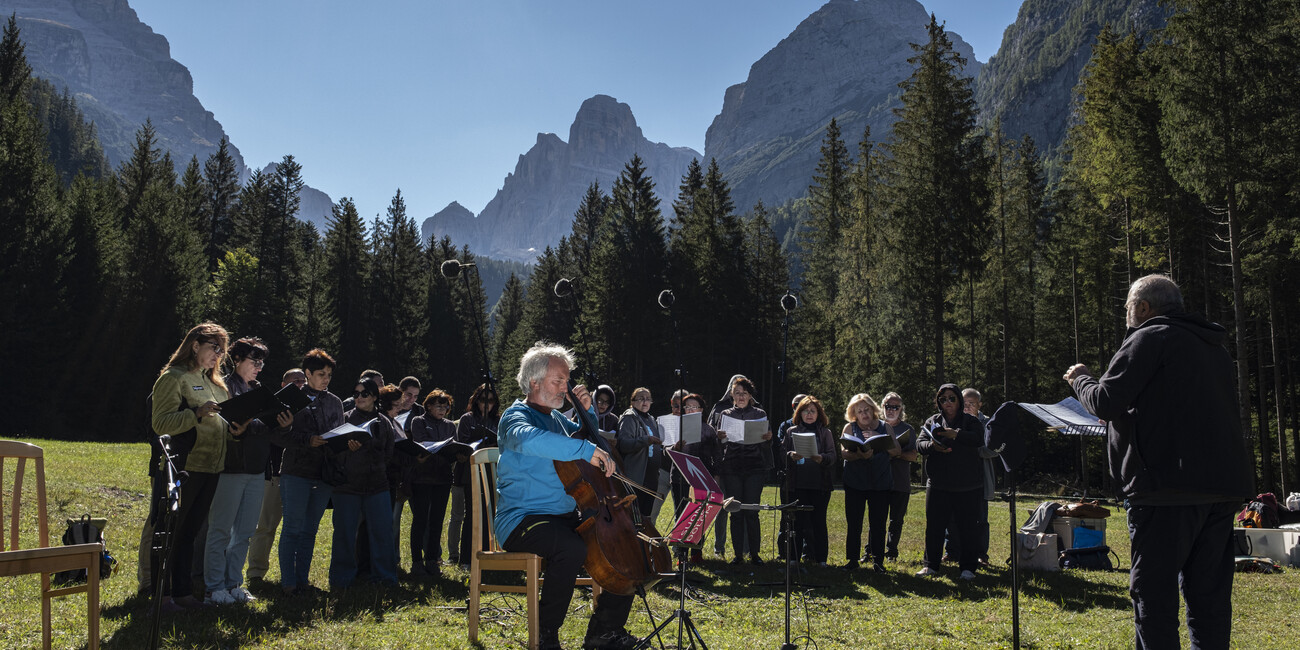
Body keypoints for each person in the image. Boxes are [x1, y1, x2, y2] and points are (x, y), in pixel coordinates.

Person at [1064, 274, 1253, 648]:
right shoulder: (1212, 346)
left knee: (1154, 597)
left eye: (1128, 308)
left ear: (1144, 308)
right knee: (1209, 600)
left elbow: (1105, 401)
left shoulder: (1150, 336)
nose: (1127, 315)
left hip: (1166, 490)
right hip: (1220, 489)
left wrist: (1081, 380)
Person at [496, 342, 638, 650]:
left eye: (567, 381)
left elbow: (584, 438)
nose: (566, 387)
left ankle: (604, 630)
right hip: (522, 521)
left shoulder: (558, 419)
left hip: (564, 517)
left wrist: (588, 414)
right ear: (534, 382)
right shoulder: (515, 418)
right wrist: (586, 449)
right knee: (571, 548)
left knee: (620, 545)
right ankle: (547, 633)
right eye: (559, 381)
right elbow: (535, 441)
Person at [150, 323, 247, 612]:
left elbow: (223, 422)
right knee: (169, 531)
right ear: (195, 345)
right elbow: (161, 423)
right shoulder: (173, 378)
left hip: (212, 467)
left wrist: (236, 429)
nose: (219, 355)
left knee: (190, 533)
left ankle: (183, 594)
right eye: (214, 348)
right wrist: (195, 413)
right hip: (183, 466)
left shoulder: (216, 384)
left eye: (222, 351)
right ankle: (161, 597)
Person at [203, 338, 292, 605]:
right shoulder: (222, 386)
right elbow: (221, 424)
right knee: (220, 529)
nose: (259, 367)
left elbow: (265, 429)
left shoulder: (259, 390)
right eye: (255, 362)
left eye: (262, 362)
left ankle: (233, 584)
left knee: (245, 531)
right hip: (230, 466)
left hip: (257, 467)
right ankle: (213, 587)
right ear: (237, 359)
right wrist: (245, 427)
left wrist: (283, 425)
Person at [272, 348, 342, 596]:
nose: (326, 379)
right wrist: (306, 440)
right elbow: (278, 436)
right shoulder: (289, 398)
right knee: (292, 528)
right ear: (307, 373)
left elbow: (338, 435)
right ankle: (288, 584)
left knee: (310, 529)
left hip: (323, 474)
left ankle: (302, 581)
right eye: (321, 374)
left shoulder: (335, 402)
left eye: (329, 375)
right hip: (296, 471)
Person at [330, 381, 399, 589]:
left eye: (365, 393)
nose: (359, 397)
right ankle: (342, 580)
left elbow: (389, 453)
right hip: (347, 486)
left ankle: (385, 577)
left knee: (383, 532)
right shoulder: (344, 419)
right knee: (344, 534)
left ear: (375, 397)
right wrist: (347, 451)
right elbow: (332, 451)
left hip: (377, 485)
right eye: (356, 393)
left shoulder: (384, 422)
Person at [915, 383, 985, 580]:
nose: (947, 402)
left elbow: (979, 439)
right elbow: (919, 444)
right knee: (935, 526)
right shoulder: (932, 421)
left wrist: (957, 434)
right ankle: (931, 565)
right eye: (943, 399)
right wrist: (933, 446)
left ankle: (968, 568)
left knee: (968, 528)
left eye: (951, 398)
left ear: (959, 401)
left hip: (968, 486)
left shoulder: (970, 421)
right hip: (938, 484)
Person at [246, 368, 305, 585]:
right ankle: (255, 573)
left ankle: (294, 574)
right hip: (275, 473)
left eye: (302, 381)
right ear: (283, 385)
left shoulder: (310, 407)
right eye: (294, 381)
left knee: (298, 528)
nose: (299, 384)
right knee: (266, 525)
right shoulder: (270, 407)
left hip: (301, 474)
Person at [716, 377, 773, 565]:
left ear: (750, 396)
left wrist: (768, 437)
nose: (741, 397)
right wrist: (721, 437)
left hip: (754, 467)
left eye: (745, 393)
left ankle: (755, 554)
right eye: (738, 393)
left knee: (752, 510)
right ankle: (738, 555)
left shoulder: (759, 414)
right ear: (732, 394)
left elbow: (768, 442)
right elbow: (720, 444)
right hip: (731, 467)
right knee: (736, 511)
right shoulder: (725, 413)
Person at [839, 393, 899, 572]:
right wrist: (859, 454)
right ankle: (852, 560)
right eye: (860, 411)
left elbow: (896, 451)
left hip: (880, 483)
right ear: (854, 413)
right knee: (854, 522)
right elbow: (843, 453)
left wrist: (876, 437)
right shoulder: (849, 428)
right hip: (855, 482)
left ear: (873, 410)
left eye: (867, 409)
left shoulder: (885, 426)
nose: (864, 414)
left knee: (879, 523)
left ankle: (878, 561)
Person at [782, 395, 838, 567]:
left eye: (813, 411)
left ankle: (821, 559)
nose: (809, 414)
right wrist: (790, 455)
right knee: (796, 523)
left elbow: (833, 456)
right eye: (805, 411)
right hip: (796, 484)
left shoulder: (825, 433)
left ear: (819, 414)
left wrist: (822, 458)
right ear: (799, 413)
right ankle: (793, 558)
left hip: (819, 484)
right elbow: (783, 454)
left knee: (818, 522)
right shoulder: (791, 431)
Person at [667, 392, 722, 562]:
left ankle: (696, 553)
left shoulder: (708, 429)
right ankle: (681, 553)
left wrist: (716, 476)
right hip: (679, 475)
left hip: (702, 476)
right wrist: (675, 447)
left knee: (699, 514)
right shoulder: (676, 425)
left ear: (701, 409)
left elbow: (717, 455)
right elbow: (665, 450)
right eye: (687, 407)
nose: (691, 410)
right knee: (682, 513)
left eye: (694, 407)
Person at [407, 389, 456, 576]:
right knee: (420, 520)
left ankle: (432, 560)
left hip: (443, 478)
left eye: (446, 406)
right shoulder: (418, 421)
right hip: (422, 477)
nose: (442, 410)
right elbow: (419, 443)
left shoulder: (450, 426)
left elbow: (453, 447)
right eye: (438, 406)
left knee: (437, 521)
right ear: (428, 406)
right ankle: (416, 562)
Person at [450, 383, 500, 566]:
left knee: (491, 515)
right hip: (471, 472)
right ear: (476, 400)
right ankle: (467, 559)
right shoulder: (467, 419)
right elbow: (461, 444)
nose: (487, 404)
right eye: (483, 400)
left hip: (492, 472)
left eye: (491, 400)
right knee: (472, 515)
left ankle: (488, 556)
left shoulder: (498, 420)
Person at [879, 392, 917, 561]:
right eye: (888, 406)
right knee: (877, 519)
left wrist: (896, 454)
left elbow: (914, 456)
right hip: (879, 481)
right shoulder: (876, 427)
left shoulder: (908, 429)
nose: (891, 410)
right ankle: (872, 551)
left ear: (901, 409)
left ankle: (891, 552)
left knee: (896, 520)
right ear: (882, 408)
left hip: (900, 482)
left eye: (895, 407)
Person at [616, 387, 663, 519]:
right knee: (632, 517)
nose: (645, 402)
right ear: (633, 401)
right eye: (641, 398)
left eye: (648, 399)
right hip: (636, 477)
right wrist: (646, 440)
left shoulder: (652, 419)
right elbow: (624, 444)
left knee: (645, 517)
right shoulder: (629, 417)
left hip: (651, 477)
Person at [774, 393, 807, 558]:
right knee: (786, 514)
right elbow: (781, 450)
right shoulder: (785, 425)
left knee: (808, 515)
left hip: (810, 477)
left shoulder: (816, 425)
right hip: (790, 476)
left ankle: (809, 552)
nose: (800, 408)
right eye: (796, 405)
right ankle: (783, 552)